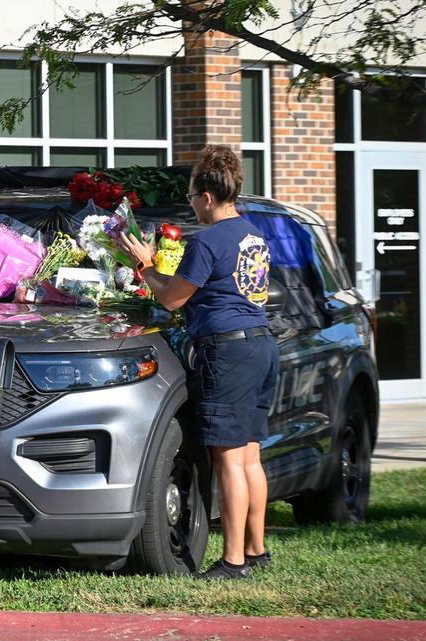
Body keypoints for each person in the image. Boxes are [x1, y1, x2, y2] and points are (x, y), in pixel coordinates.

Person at [115, 145, 279, 580]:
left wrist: (145, 267)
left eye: (191, 197)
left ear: (207, 196)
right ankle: (257, 551)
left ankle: (233, 562)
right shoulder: (253, 234)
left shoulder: (207, 241)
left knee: (227, 460)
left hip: (227, 351)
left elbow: (171, 300)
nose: (191, 205)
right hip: (261, 346)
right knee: (248, 457)